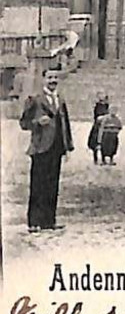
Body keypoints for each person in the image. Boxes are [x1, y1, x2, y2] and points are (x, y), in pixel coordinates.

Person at [19, 68, 73, 232]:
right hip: (40, 147)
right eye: (49, 77)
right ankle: (34, 222)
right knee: (38, 185)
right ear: (43, 79)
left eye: (55, 77)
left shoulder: (60, 99)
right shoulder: (35, 99)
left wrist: (68, 146)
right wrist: (37, 121)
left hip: (56, 147)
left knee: (53, 185)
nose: (53, 80)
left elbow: (66, 124)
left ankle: (49, 221)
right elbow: (23, 123)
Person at [87, 91, 109, 164]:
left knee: (104, 142)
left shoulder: (106, 106)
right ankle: (95, 159)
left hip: (104, 126)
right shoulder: (98, 106)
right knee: (95, 142)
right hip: (97, 126)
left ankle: (103, 159)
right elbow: (97, 116)